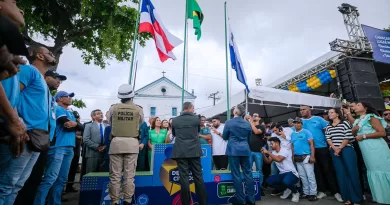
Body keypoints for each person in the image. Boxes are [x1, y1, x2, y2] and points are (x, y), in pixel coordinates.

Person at [15, 70, 67, 205]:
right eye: (56, 78)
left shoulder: (49, 96)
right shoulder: (30, 78)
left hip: (43, 141)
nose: (58, 82)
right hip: (28, 135)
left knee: (34, 178)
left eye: (60, 80)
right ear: (45, 77)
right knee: (15, 180)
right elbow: (14, 99)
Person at [34, 91, 81, 205]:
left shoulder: (70, 112)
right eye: (67, 96)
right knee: (50, 178)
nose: (70, 98)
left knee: (61, 179)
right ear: (60, 98)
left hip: (69, 148)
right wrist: (76, 125)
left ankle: (55, 202)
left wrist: (75, 125)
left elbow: (81, 127)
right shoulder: (58, 109)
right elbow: (67, 126)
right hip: (58, 147)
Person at [108, 84, 144, 205]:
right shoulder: (138, 109)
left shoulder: (113, 108)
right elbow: (141, 122)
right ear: (132, 94)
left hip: (116, 143)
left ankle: (115, 201)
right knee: (129, 176)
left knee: (115, 176)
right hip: (132, 144)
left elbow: (110, 122)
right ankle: (128, 200)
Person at [300, 105, 342, 202]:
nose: (302, 111)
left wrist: (330, 144)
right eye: (301, 110)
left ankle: (335, 192)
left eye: (304, 109)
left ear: (309, 110)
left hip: (322, 148)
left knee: (328, 170)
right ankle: (322, 191)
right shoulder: (300, 122)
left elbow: (328, 130)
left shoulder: (318, 119)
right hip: (309, 151)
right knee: (316, 172)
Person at [352, 102, 390, 204]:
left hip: (377, 148)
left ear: (365, 108)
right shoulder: (357, 120)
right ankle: (381, 196)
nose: (355, 107)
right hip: (367, 150)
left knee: (383, 169)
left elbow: (382, 132)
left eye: (358, 105)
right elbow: (356, 134)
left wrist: (364, 136)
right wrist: (354, 131)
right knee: (373, 170)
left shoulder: (371, 117)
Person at [170, 102, 207, 205]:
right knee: (198, 178)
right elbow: (197, 131)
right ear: (191, 108)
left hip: (181, 151)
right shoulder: (196, 119)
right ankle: (203, 203)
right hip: (194, 151)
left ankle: (185, 203)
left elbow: (174, 134)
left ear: (183, 108)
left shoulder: (175, 120)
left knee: (184, 178)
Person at [326, 108, 362, 205]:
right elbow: (328, 138)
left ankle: (356, 199)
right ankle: (347, 198)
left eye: (331, 112)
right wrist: (334, 148)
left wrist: (339, 148)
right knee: (341, 174)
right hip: (335, 151)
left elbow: (348, 136)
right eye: (329, 113)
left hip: (347, 150)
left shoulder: (345, 123)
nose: (329, 114)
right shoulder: (328, 126)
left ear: (337, 114)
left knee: (352, 172)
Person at [222, 105, 255, 205]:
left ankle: (241, 201)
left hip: (233, 150)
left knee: (236, 175)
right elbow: (249, 138)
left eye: (234, 109)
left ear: (236, 112)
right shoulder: (247, 123)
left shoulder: (229, 122)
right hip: (245, 149)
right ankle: (251, 200)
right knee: (248, 174)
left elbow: (224, 136)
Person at [262, 137, 300, 203]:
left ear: (277, 143)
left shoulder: (284, 150)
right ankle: (287, 188)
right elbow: (267, 161)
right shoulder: (273, 152)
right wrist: (263, 154)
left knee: (286, 181)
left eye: (271, 144)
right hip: (282, 174)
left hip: (292, 173)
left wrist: (268, 152)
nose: (270, 145)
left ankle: (295, 192)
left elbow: (278, 159)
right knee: (268, 181)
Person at [290, 117, 317, 201]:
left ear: (302, 124)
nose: (296, 124)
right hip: (297, 157)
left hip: (306, 156)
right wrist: (293, 157)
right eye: (295, 123)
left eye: (298, 123)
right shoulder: (293, 134)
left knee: (310, 175)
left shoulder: (306, 132)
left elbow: (312, 144)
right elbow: (292, 146)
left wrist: (312, 156)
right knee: (302, 176)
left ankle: (313, 193)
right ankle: (306, 192)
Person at [247, 113, 265, 194]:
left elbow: (257, 132)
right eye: (253, 115)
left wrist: (251, 122)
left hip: (258, 152)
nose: (254, 116)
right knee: (248, 170)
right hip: (249, 151)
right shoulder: (249, 126)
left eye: (256, 115)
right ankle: (249, 186)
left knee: (259, 170)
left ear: (259, 118)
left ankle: (259, 187)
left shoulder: (261, 127)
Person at [83, 109, 106, 173]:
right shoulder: (89, 126)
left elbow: (109, 139)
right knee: (91, 173)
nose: (101, 114)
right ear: (93, 117)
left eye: (101, 113)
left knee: (102, 173)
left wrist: (105, 147)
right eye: (98, 113)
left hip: (104, 153)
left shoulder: (107, 126)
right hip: (92, 154)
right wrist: (97, 147)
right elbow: (86, 139)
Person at [65, 110, 83, 193]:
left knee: (72, 170)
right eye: (76, 118)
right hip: (66, 149)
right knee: (64, 171)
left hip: (76, 152)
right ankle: (62, 190)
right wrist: (77, 137)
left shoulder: (79, 127)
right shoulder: (69, 124)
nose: (77, 119)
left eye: (78, 118)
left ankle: (69, 187)